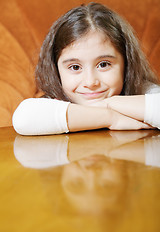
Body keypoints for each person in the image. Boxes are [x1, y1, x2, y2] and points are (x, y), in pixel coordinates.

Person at [12, 2, 160, 135]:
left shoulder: (141, 90)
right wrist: (110, 117)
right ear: (56, 70)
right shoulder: (56, 100)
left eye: (103, 64)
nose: (90, 82)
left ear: (126, 64)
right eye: (75, 67)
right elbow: (23, 118)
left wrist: (109, 103)